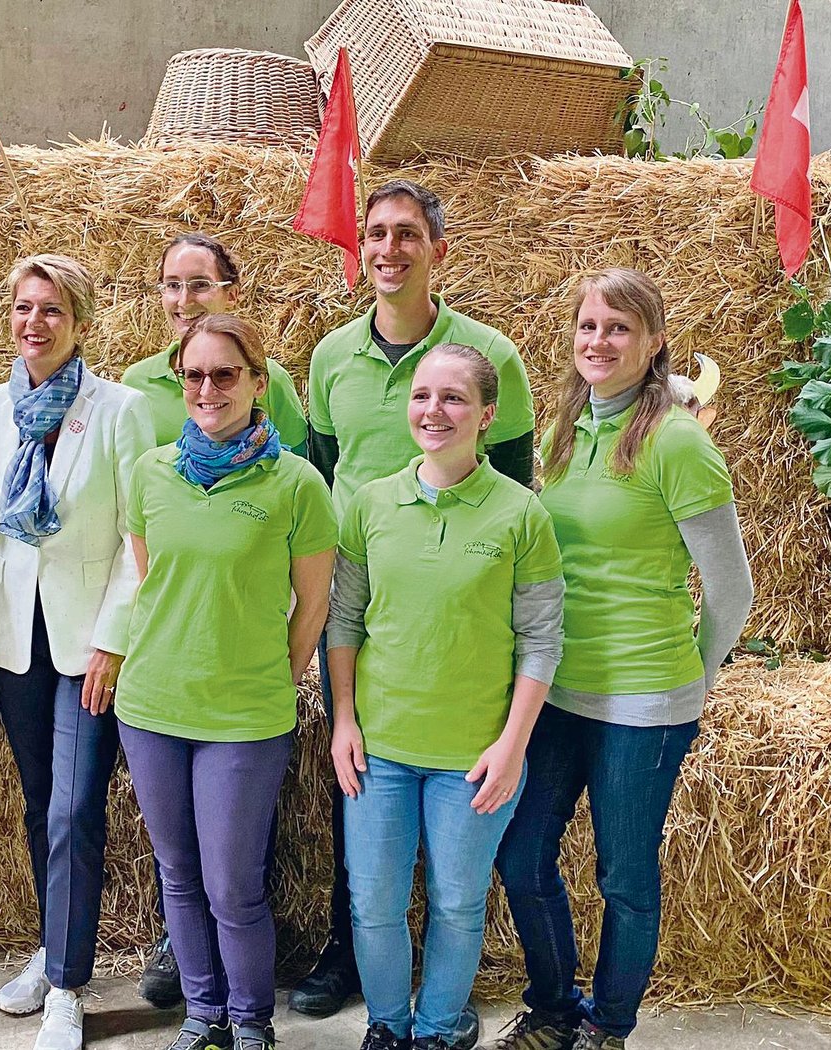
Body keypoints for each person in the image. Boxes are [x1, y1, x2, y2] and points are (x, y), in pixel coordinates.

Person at [482, 269, 754, 1050]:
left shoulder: (678, 442)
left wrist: (689, 685)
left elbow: (732, 593)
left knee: (624, 877)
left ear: (655, 340)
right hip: (563, 689)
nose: (599, 341)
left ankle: (608, 1025)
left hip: (646, 700)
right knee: (523, 854)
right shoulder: (568, 428)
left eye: (620, 328)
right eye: (589, 326)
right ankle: (555, 1006)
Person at [299, 179, 536, 1041]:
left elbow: (515, 489)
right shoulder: (330, 358)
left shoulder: (490, 356)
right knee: (358, 794)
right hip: (364, 595)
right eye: (375, 235)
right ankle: (347, 954)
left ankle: (437, 1012)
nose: (388, 250)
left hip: (455, 599)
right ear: (359, 248)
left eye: (407, 235)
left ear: (439, 249)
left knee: (448, 869)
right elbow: (322, 477)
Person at [328, 344, 563, 1050]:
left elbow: (542, 640)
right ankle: (386, 1028)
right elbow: (342, 620)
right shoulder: (371, 505)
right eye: (422, 395)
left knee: (458, 904)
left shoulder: (522, 516)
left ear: (487, 415)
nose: (434, 410)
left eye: (453, 398)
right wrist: (343, 718)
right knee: (373, 903)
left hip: (473, 757)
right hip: (379, 749)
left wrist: (511, 745)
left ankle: (434, 1032)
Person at [117, 313, 337, 1050]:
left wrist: (269, 678)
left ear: (257, 382)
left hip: (244, 714)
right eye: (194, 376)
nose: (207, 389)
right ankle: (203, 1014)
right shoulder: (151, 472)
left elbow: (313, 607)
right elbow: (155, 585)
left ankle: (250, 1021)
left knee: (232, 886)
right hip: (151, 705)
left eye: (224, 374)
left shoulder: (297, 484)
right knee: (177, 875)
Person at [0, 254, 154, 1050]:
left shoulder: (120, 411)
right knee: (42, 804)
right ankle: (52, 947)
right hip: (15, 640)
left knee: (75, 808)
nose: (33, 322)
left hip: (85, 641)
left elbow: (136, 544)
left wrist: (113, 638)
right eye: (22, 307)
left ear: (79, 323)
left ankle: (69, 989)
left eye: (51, 310)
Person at [123, 232, 308, 453]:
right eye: (172, 285)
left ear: (231, 295)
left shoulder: (270, 378)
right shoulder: (137, 383)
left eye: (200, 285)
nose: (184, 300)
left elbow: (296, 466)